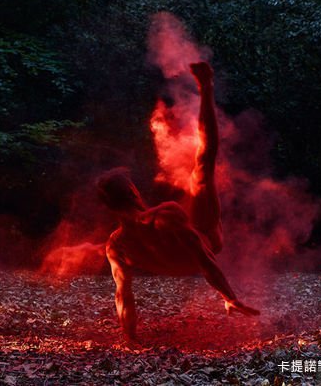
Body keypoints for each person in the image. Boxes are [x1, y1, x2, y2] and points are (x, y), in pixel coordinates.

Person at [97, 62, 259, 340]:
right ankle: (206, 85)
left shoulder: (115, 245)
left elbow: (123, 295)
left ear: (109, 207)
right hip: (207, 243)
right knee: (202, 165)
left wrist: (131, 339)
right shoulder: (166, 215)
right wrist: (229, 296)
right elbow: (204, 257)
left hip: (180, 255)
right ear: (134, 193)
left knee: (202, 166)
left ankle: (205, 87)